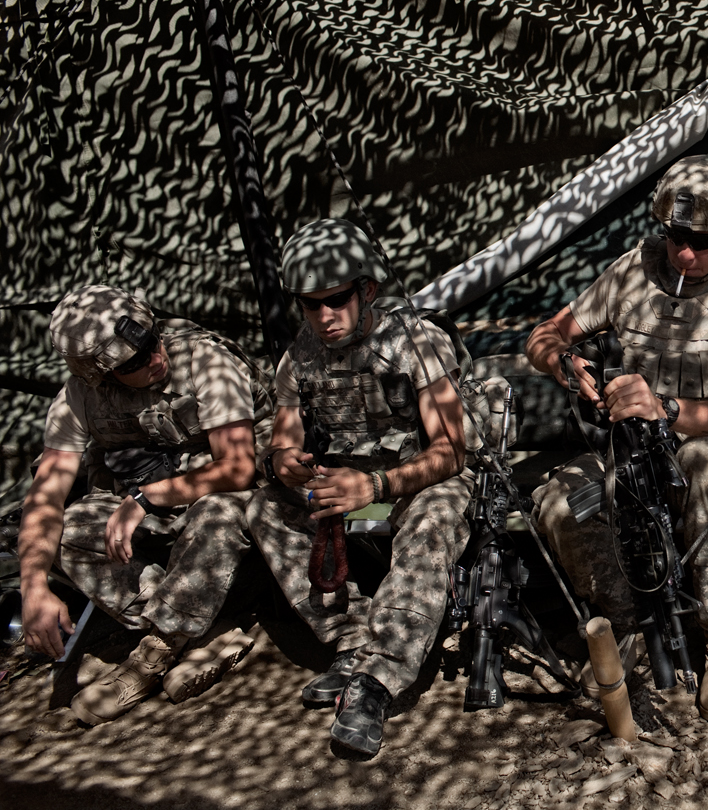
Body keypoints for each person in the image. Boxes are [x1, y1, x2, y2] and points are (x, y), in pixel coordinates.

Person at [527, 154, 708, 724]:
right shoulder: (632, 272)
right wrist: (562, 360)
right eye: (676, 237)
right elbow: (544, 334)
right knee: (558, 501)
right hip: (630, 456)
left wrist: (665, 407)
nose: (686, 254)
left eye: (703, 241)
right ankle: (626, 623)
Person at [251, 218, 471, 756]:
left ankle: (377, 678)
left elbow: (452, 453)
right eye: (310, 304)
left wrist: (372, 485)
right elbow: (283, 441)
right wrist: (290, 466)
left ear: (367, 290)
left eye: (337, 300)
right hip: (349, 483)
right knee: (264, 507)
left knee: (436, 513)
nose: (324, 317)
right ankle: (350, 641)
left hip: (416, 480)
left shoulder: (416, 342)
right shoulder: (299, 356)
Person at [18, 285, 270, 724]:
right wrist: (33, 588)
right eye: (132, 362)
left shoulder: (203, 358)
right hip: (157, 514)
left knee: (219, 510)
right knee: (70, 529)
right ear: (99, 373)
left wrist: (146, 498)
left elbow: (237, 469)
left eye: (152, 340)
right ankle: (199, 629)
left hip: (239, 512)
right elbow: (45, 497)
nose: (154, 357)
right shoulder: (79, 396)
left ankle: (152, 657)